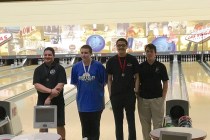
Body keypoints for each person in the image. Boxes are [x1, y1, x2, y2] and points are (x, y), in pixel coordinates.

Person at [70, 45, 107, 140]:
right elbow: (75, 83)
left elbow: (104, 82)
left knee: (95, 130)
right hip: (82, 104)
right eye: (82, 52)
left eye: (86, 53)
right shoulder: (76, 67)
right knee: (85, 130)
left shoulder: (99, 66)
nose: (84, 55)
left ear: (91, 54)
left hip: (96, 104)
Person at [106, 38, 139, 140]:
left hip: (129, 95)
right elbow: (109, 79)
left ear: (126, 46)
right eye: (119, 45)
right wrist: (110, 95)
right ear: (116, 46)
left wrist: (136, 91)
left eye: (123, 45)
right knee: (118, 122)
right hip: (116, 96)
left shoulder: (133, 60)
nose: (121, 47)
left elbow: (137, 77)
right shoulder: (111, 61)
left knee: (131, 121)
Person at [33, 47, 67, 140]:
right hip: (42, 101)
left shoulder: (60, 68)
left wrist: (49, 98)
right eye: (46, 55)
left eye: (49, 55)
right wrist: (51, 91)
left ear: (53, 56)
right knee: (43, 126)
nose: (47, 56)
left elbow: (60, 86)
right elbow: (37, 85)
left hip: (58, 101)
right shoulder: (38, 70)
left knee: (60, 125)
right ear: (43, 56)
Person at [137, 43, 169, 140]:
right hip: (143, 100)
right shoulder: (140, 66)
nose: (149, 53)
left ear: (155, 53)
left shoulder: (161, 66)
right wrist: (138, 97)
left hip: (157, 99)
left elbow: (165, 83)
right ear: (145, 53)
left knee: (158, 125)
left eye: (151, 51)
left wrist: (162, 98)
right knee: (145, 125)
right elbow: (137, 82)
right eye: (147, 51)